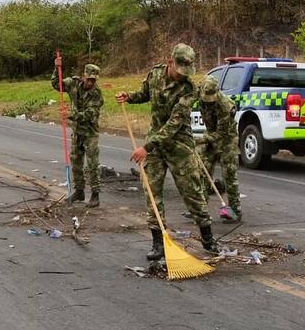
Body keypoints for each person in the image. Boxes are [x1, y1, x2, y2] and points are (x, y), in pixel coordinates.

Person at [116, 43, 217, 260]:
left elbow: (174, 123)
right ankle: (158, 243)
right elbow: (145, 93)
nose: (182, 74)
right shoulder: (154, 74)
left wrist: (146, 147)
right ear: (169, 61)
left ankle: (208, 239)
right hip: (155, 144)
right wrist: (129, 97)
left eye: (186, 70)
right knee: (152, 192)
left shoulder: (189, 88)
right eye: (179, 69)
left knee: (192, 192)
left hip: (179, 144)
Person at [52, 61, 103, 207]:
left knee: (92, 163)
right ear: (84, 76)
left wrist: (70, 115)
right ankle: (79, 191)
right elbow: (57, 84)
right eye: (89, 79)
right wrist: (57, 68)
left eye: (93, 80)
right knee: (76, 161)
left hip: (90, 132)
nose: (91, 83)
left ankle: (95, 194)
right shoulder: (73, 83)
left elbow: (90, 114)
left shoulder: (96, 94)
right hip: (77, 131)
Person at [198, 75, 241, 221]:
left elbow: (221, 133)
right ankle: (200, 209)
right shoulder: (198, 93)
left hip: (227, 139)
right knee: (203, 171)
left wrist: (200, 140)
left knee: (229, 175)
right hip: (210, 134)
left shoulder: (226, 106)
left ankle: (235, 210)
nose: (208, 100)